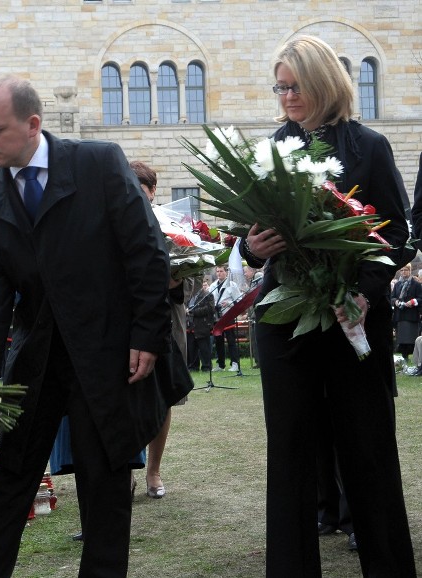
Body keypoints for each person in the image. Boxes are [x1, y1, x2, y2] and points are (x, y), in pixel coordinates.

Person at [0, 75, 173, 578]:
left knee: (105, 480)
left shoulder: (97, 164)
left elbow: (145, 250)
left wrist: (147, 334)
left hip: (106, 352)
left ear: (33, 125)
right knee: (12, 473)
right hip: (38, 356)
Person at [244, 36, 415, 576]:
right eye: (281, 86)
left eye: (296, 86)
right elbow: (247, 233)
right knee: (291, 455)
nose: (287, 97)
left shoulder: (369, 147)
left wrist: (360, 289)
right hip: (286, 319)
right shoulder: (274, 145)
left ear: (324, 84)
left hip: (352, 318)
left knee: (367, 451)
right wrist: (251, 247)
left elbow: (398, 237)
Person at [130, 159, 191, 499]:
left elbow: (194, 276)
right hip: (127, 323)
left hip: (167, 322)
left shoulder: (174, 225)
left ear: (152, 192)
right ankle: (125, 472)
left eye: (141, 191)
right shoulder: (116, 222)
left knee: (163, 397)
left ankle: (153, 471)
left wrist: (175, 281)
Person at [208, 265, 241, 372]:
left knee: (231, 340)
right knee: (218, 340)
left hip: (228, 315)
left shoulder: (232, 285)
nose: (219, 273)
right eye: (217, 271)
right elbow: (209, 300)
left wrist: (229, 304)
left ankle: (235, 363)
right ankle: (220, 364)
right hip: (217, 317)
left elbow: (239, 300)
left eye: (221, 271)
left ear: (226, 272)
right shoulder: (212, 286)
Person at [391, 264, 422, 359]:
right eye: (401, 270)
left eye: (405, 270)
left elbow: (421, 298)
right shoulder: (397, 285)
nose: (403, 272)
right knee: (402, 338)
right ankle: (404, 356)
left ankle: (414, 356)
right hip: (400, 315)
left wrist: (413, 302)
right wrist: (395, 301)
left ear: (410, 271)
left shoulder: (416, 284)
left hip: (411, 315)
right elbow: (392, 297)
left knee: (411, 337)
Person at [187, 278, 216, 372]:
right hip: (190, 325)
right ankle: (193, 366)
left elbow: (210, 309)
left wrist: (193, 312)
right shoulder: (188, 295)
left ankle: (206, 366)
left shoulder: (207, 294)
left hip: (202, 325)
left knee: (204, 348)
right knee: (192, 348)